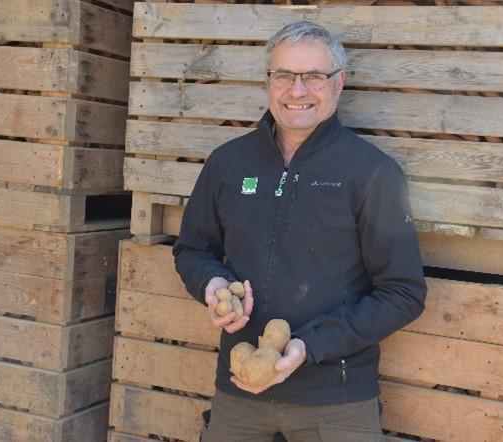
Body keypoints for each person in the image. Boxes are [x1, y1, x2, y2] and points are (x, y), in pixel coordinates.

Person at [173, 20, 427, 442]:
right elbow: (191, 250)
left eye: (314, 76)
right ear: (268, 81)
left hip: (337, 402)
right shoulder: (228, 163)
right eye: (284, 75)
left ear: (338, 83)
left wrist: (309, 346)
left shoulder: (372, 173)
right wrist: (213, 283)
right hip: (240, 394)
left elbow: (403, 293)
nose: (297, 90)